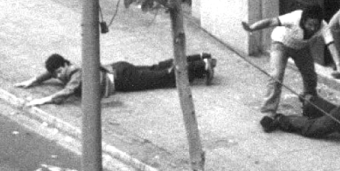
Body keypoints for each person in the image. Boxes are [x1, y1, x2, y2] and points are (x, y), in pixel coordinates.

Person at [242, 4, 340, 132]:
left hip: (300, 47)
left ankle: (309, 104)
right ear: (304, 20)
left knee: (310, 75)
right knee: (276, 75)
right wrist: (252, 27)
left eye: (315, 25)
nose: (312, 28)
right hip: (281, 43)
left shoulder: (323, 26)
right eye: (310, 24)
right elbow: (271, 21)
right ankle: (268, 112)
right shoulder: (294, 17)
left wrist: (338, 65)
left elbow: (331, 44)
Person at [17, 52, 217, 106]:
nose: (58, 77)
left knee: (162, 77)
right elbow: (48, 74)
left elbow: (67, 91)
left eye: (59, 72)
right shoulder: (66, 70)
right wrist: (33, 81)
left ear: (66, 65)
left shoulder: (76, 74)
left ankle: (202, 67)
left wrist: (41, 100)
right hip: (119, 69)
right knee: (157, 68)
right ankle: (199, 58)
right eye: (55, 74)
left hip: (122, 79)